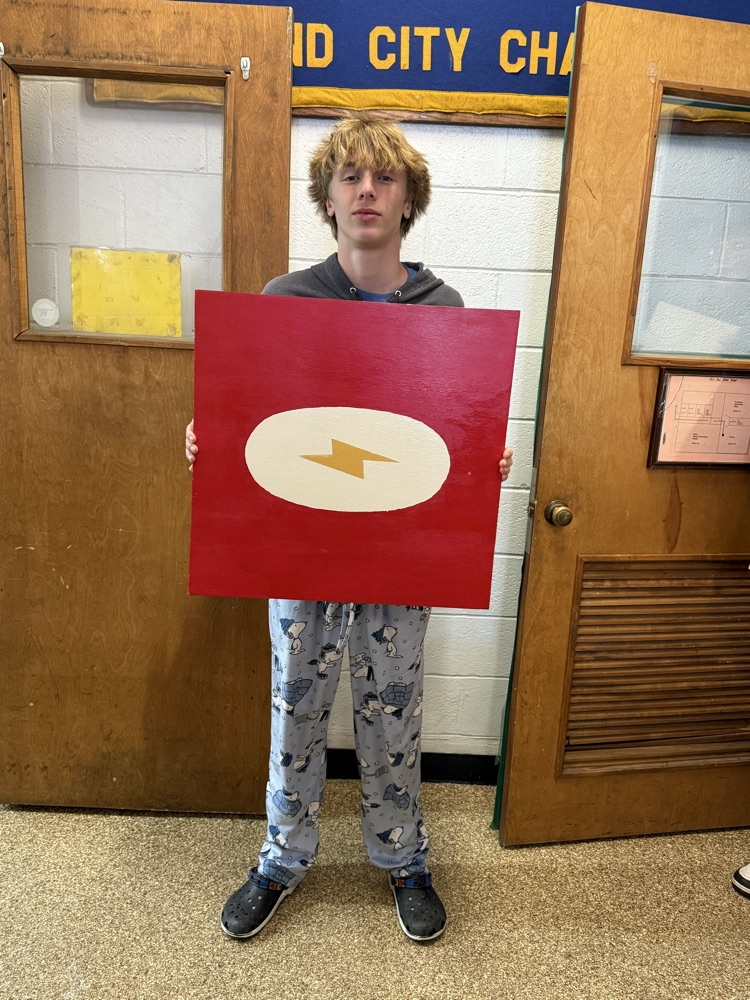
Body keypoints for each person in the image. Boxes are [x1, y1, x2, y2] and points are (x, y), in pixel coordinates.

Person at [185, 112, 513, 942]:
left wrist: (482, 465)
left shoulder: (445, 308)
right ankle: (280, 859)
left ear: (409, 201)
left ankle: (403, 856)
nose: (367, 190)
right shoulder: (284, 301)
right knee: (294, 709)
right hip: (302, 557)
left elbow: (448, 436)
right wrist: (212, 446)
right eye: (350, 177)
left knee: (393, 711)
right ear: (328, 199)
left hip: (400, 559)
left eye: (385, 178)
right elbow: (258, 428)